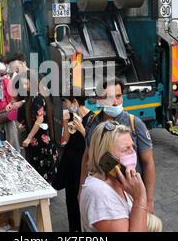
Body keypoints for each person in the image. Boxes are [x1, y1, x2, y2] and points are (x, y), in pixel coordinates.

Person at [79, 78, 156, 214]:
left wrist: (148, 201)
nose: (115, 102)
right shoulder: (91, 123)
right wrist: (81, 187)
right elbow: (87, 156)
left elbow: (148, 163)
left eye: (118, 96)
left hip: (130, 196)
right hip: (102, 196)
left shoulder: (135, 124)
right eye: (108, 97)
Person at [79, 121, 149, 232]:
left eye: (132, 147)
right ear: (106, 158)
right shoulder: (99, 193)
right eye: (126, 149)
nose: (133, 153)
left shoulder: (121, 180)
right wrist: (140, 198)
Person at [13, 70, 58, 182]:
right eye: (23, 84)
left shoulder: (37, 98)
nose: (24, 86)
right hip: (38, 136)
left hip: (40, 139)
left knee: (41, 169)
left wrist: (29, 137)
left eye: (26, 84)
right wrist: (25, 123)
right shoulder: (32, 96)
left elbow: (40, 118)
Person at [57, 92, 92, 232]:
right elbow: (64, 140)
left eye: (66, 102)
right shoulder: (71, 116)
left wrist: (82, 130)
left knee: (82, 199)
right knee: (70, 199)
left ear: (74, 101)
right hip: (70, 165)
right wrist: (65, 122)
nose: (65, 105)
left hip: (83, 166)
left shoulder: (92, 118)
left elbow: (95, 143)